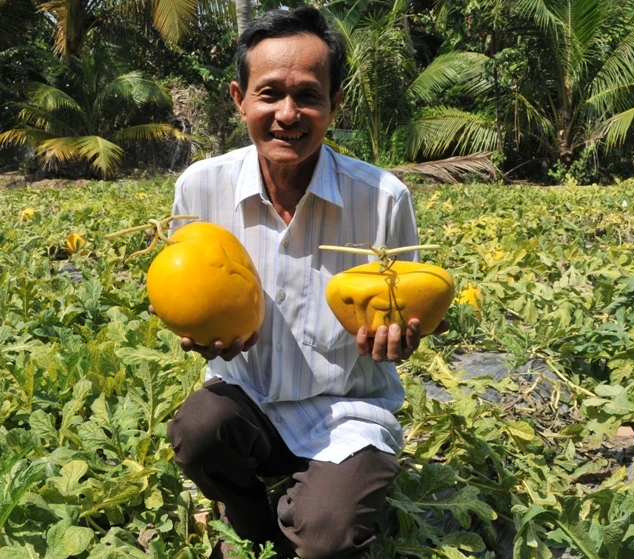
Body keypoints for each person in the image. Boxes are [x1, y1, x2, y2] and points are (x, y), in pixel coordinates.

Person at [163, 6, 442, 558]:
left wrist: (399, 343)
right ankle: (248, 521)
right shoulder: (201, 189)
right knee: (198, 431)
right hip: (250, 401)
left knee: (329, 537)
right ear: (238, 98)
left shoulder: (384, 198)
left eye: (309, 95)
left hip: (347, 414)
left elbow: (404, 308)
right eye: (269, 93)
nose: (288, 114)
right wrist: (193, 327)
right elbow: (187, 286)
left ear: (335, 104)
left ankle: (318, 507)